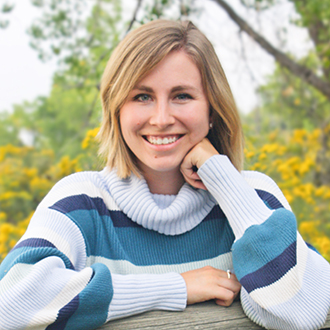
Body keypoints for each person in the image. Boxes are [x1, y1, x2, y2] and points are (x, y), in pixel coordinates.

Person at [0, 19, 329, 330]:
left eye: (182, 96)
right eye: (142, 97)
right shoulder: (80, 202)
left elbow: (305, 309)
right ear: (116, 109)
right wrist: (176, 288)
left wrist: (223, 178)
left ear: (213, 110)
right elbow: (10, 302)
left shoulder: (253, 197)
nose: (160, 118)